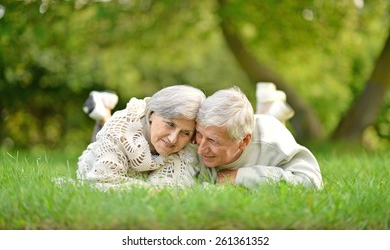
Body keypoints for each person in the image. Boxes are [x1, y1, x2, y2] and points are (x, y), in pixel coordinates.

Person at [76, 85, 206, 190]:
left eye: (185, 133)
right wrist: (149, 189)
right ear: (151, 114)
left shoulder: (188, 145)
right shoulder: (119, 132)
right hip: (100, 156)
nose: (173, 139)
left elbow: (167, 189)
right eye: (170, 124)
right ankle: (103, 115)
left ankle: (104, 114)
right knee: (112, 143)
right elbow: (100, 180)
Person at [195, 86, 323, 189]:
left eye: (213, 140)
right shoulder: (189, 137)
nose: (200, 150)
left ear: (243, 141)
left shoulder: (272, 140)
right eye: (199, 134)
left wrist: (239, 176)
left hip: (266, 130)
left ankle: (271, 109)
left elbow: (311, 182)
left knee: (269, 120)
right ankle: (269, 108)